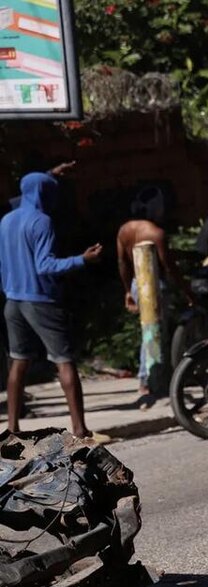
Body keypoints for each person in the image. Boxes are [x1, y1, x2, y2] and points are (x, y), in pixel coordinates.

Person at [0, 172, 103, 438]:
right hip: (40, 300)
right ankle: (80, 430)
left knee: (18, 362)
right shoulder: (41, 221)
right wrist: (82, 259)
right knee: (64, 361)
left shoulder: (7, 220)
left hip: (13, 300)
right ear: (44, 193)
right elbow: (45, 265)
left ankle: (12, 429)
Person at [116, 195, 190, 402]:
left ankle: (148, 380)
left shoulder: (124, 230)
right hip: (156, 286)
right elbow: (169, 267)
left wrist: (128, 291)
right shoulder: (156, 233)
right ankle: (150, 380)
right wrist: (185, 291)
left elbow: (122, 263)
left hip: (136, 283)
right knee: (156, 333)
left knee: (148, 333)